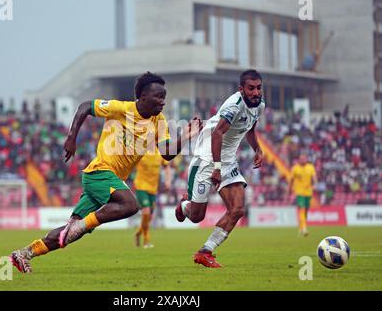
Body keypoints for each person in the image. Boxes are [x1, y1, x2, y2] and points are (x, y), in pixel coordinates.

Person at [9, 72, 202, 273]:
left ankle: (24, 253)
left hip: (109, 180)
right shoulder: (120, 108)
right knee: (130, 205)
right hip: (99, 173)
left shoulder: (158, 120)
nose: (162, 102)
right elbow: (85, 106)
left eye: (164, 97)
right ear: (143, 96)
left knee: (70, 233)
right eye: (158, 97)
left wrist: (188, 134)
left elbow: (166, 154)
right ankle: (82, 225)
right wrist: (71, 138)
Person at [175, 69, 265, 268]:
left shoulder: (259, 105)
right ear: (242, 89)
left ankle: (205, 252)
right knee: (197, 216)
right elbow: (217, 134)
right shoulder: (233, 106)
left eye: (258, 88)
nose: (256, 93)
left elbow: (250, 128)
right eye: (251, 88)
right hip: (206, 160)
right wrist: (216, 168)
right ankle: (184, 206)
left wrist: (257, 149)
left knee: (238, 209)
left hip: (228, 162)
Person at [133, 150, 172, 248]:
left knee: (149, 217)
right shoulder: (140, 152)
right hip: (141, 187)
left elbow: (167, 167)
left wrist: (168, 181)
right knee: (146, 212)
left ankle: (138, 232)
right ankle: (146, 241)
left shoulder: (160, 153)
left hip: (153, 189)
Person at [286, 153, 317, 237]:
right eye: (301, 158)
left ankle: (301, 227)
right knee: (302, 210)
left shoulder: (310, 167)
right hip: (299, 192)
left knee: (306, 211)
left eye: (304, 158)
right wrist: (289, 191)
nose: (303, 160)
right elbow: (291, 180)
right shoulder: (295, 168)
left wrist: (314, 185)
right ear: (299, 159)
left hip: (308, 192)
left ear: (306, 159)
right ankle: (304, 229)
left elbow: (314, 178)